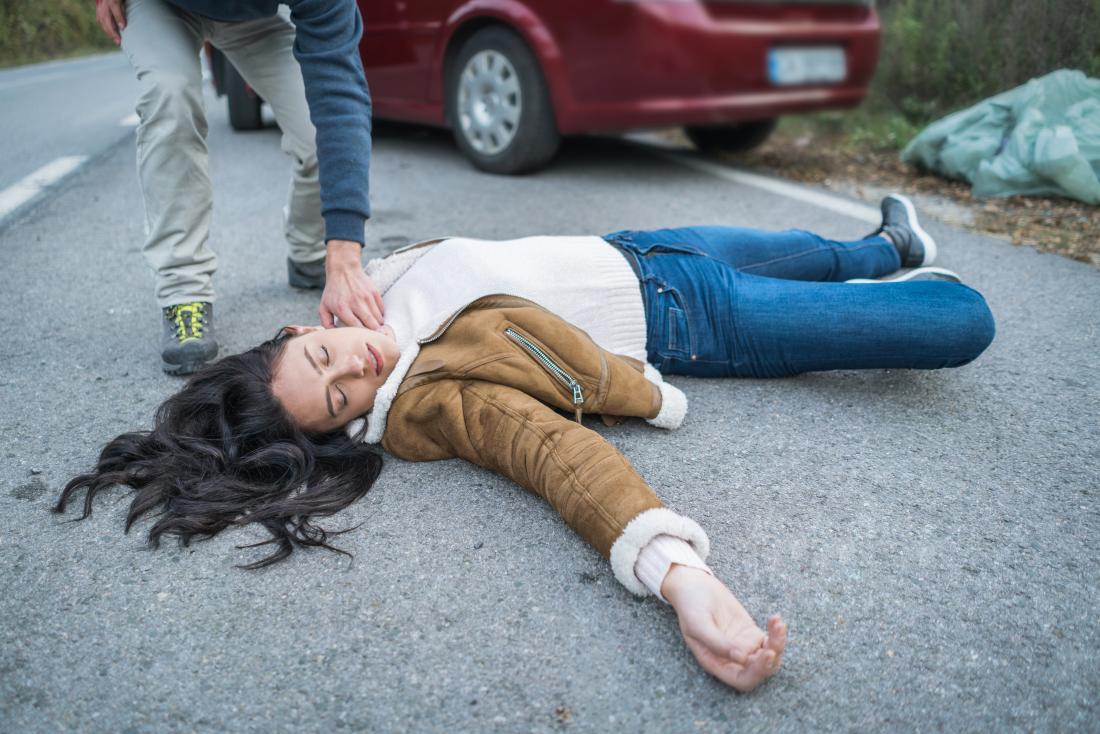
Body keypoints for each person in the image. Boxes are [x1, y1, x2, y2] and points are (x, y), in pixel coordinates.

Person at [55, 196, 995, 692]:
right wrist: (681, 574)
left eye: (332, 356)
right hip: (686, 318)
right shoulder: (425, 402)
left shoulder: (363, 295)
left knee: (830, 250)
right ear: (344, 428)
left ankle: (881, 244)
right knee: (957, 322)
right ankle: (893, 280)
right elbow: (549, 450)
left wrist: (357, 267)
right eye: (343, 399)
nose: (361, 365)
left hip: (636, 244)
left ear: (301, 331)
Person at [95, 0, 384, 375]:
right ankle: (184, 292)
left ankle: (310, 248)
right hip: (164, 6)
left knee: (316, 134)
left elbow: (340, 95)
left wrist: (343, 255)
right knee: (171, 95)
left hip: (255, 18)